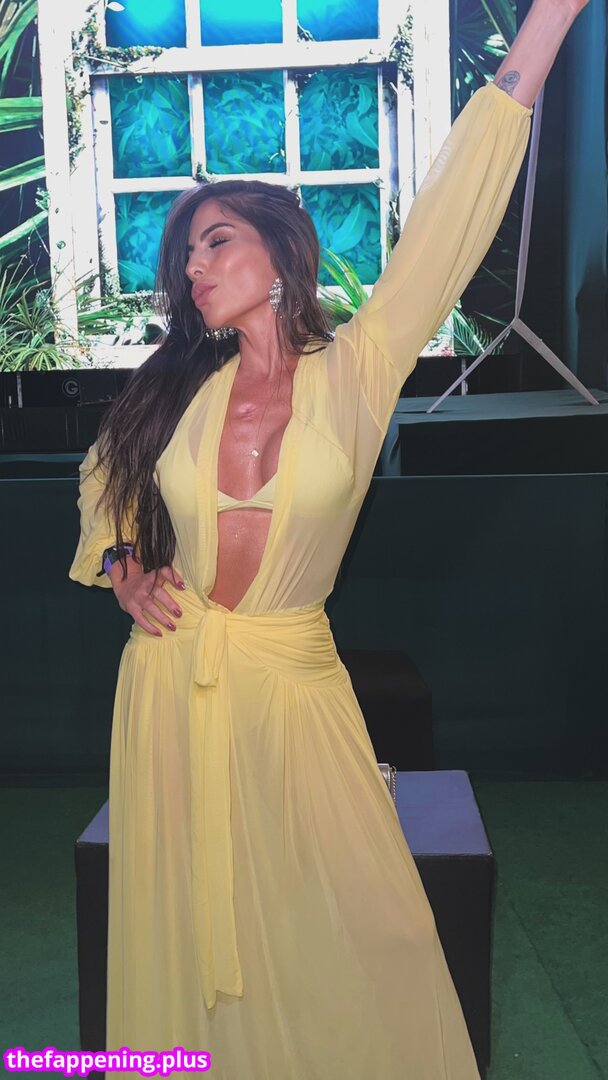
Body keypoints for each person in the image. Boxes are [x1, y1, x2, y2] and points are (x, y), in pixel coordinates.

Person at [69, 1, 589, 1076]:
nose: (195, 266)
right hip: (169, 680)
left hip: (293, 678)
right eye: (185, 256)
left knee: (367, 922)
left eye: (216, 240)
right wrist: (125, 571)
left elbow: (452, 211)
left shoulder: (361, 366)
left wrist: (551, 18)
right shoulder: (171, 387)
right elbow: (108, 491)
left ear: (281, 248)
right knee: (178, 928)